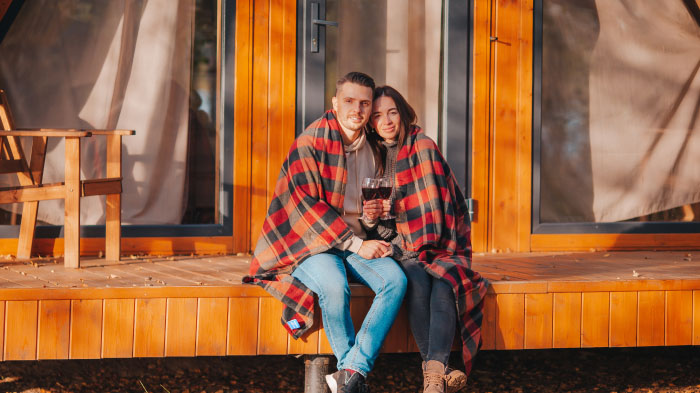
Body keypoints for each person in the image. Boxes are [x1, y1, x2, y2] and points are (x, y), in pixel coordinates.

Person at [243, 72, 407, 393]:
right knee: (334, 286)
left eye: (364, 103)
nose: (357, 109)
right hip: (310, 243)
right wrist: (357, 244)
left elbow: (376, 209)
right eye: (349, 101)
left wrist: (376, 222)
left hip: (356, 241)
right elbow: (305, 207)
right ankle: (353, 374)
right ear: (335, 102)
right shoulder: (310, 142)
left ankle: (349, 373)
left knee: (395, 280)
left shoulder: (375, 148)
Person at [362, 85, 489, 393]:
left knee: (444, 280)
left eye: (392, 112)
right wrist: (370, 219)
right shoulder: (373, 156)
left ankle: (432, 377)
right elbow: (376, 230)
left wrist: (395, 206)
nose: (387, 121)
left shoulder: (423, 146)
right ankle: (439, 372)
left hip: (443, 243)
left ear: (403, 113)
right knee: (417, 279)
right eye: (378, 116)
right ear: (371, 123)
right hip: (402, 248)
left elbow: (436, 207)